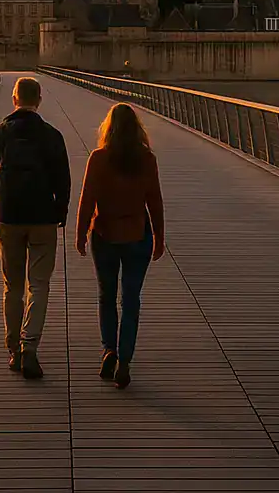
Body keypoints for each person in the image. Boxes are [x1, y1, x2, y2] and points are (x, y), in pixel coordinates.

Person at [0, 77, 71, 380]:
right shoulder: (52, 135)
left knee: (12, 285)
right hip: (43, 217)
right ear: (39, 100)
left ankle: (13, 347)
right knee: (39, 285)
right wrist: (61, 211)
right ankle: (30, 345)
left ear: (14, 98)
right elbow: (63, 180)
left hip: (9, 216)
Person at [75, 102, 165, 390]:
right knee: (131, 299)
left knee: (106, 295)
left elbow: (87, 199)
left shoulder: (99, 158)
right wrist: (160, 237)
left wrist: (80, 233)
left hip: (105, 235)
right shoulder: (147, 159)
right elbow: (155, 200)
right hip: (137, 234)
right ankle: (125, 360)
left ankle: (109, 350)